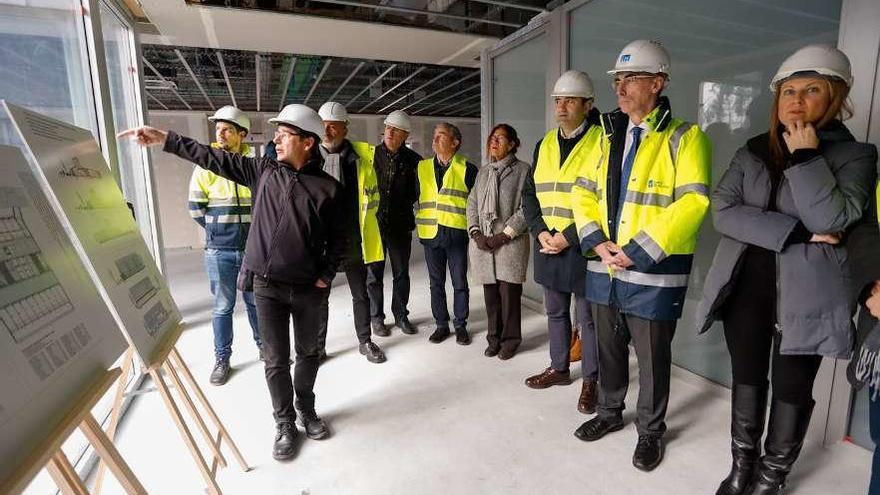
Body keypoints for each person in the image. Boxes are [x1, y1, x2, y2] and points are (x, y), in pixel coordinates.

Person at [119, 103, 349, 461]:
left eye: (284, 133)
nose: (276, 137)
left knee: (308, 354)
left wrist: (325, 276)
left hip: (308, 289)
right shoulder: (263, 171)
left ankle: (306, 408)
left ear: (307, 142)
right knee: (275, 360)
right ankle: (284, 423)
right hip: (267, 286)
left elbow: (340, 239)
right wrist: (166, 139)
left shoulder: (329, 189)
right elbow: (212, 158)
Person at [697, 44, 877, 494]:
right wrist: (795, 233)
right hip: (746, 290)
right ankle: (742, 465)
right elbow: (723, 211)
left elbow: (831, 220)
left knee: (793, 386)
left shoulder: (856, 156)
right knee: (748, 376)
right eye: (788, 91)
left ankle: (772, 476)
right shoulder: (752, 150)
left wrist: (806, 158)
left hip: (811, 295)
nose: (796, 100)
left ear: (835, 96)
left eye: (812, 89)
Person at [571, 40, 712, 472]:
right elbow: (582, 192)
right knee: (609, 350)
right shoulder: (604, 137)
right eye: (617, 79)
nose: (621, 87)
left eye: (630, 78)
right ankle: (610, 413)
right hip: (604, 269)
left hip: (651, 273)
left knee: (652, 360)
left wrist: (636, 251)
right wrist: (596, 241)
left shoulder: (686, 137)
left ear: (658, 82)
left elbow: (693, 204)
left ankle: (650, 431)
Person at [521, 70, 601, 417]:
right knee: (554, 312)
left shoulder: (602, 142)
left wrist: (566, 237)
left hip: (582, 246)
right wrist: (539, 231)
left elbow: (603, 199)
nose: (562, 107)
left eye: (570, 100)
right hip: (546, 243)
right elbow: (530, 194)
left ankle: (592, 380)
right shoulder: (545, 144)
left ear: (588, 104)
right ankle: (559, 369)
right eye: (558, 100)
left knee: (588, 319)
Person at [187, 105, 261, 385]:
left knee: (255, 303)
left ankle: (264, 348)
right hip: (220, 251)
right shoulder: (206, 165)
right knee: (222, 306)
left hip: (252, 250)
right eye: (218, 128)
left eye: (227, 129)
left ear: (241, 134)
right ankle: (222, 359)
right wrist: (219, 232)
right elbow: (195, 208)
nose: (221, 133)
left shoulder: (252, 166)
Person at [314, 101, 386, 364]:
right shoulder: (310, 157)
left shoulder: (362, 158)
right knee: (320, 296)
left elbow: (373, 197)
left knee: (360, 293)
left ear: (345, 128)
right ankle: (318, 348)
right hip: (321, 243)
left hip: (353, 239)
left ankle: (365, 341)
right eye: (323, 126)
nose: (328, 131)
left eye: (334, 126)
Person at [466, 124, 530, 359]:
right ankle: (494, 338)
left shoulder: (523, 170)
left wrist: (503, 236)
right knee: (491, 297)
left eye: (500, 139)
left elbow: (527, 208)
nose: (493, 142)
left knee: (510, 297)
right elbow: (472, 203)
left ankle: (511, 341)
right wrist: (476, 234)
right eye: (492, 138)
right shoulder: (484, 171)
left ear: (512, 144)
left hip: (509, 244)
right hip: (483, 244)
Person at [416, 123, 478, 344]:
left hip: (456, 235)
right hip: (431, 234)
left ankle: (460, 324)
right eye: (434, 135)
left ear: (455, 142)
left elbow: (475, 204)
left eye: (440, 135)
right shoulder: (421, 168)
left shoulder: (468, 169)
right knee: (436, 283)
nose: (434, 139)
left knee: (460, 282)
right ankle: (441, 324)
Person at [367, 110, 423, 337]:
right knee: (374, 274)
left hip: (400, 225)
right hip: (375, 224)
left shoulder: (414, 162)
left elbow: (420, 192)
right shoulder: (370, 157)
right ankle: (376, 318)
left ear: (405, 135)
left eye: (395, 130)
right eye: (388, 127)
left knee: (401, 273)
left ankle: (400, 315)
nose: (389, 132)